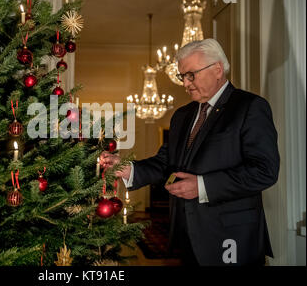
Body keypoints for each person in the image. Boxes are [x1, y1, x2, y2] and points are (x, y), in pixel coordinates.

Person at [100, 39, 280, 266]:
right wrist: (129, 169)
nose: (185, 83)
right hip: (187, 237)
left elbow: (265, 171)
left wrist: (202, 186)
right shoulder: (181, 115)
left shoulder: (250, 107)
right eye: (182, 76)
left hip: (232, 238)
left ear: (217, 69)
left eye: (191, 75)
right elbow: (165, 164)